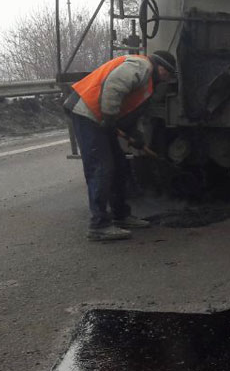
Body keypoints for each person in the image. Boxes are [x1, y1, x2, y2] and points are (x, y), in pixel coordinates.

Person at [64, 51, 178, 241]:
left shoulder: (149, 83)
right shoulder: (141, 66)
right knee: (101, 168)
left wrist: (136, 135)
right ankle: (98, 226)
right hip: (87, 112)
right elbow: (114, 86)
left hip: (101, 117)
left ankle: (121, 216)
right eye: (167, 73)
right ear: (160, 67)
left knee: (119, 166)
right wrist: (109, 116)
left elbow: (130, 109)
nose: (167, 78)